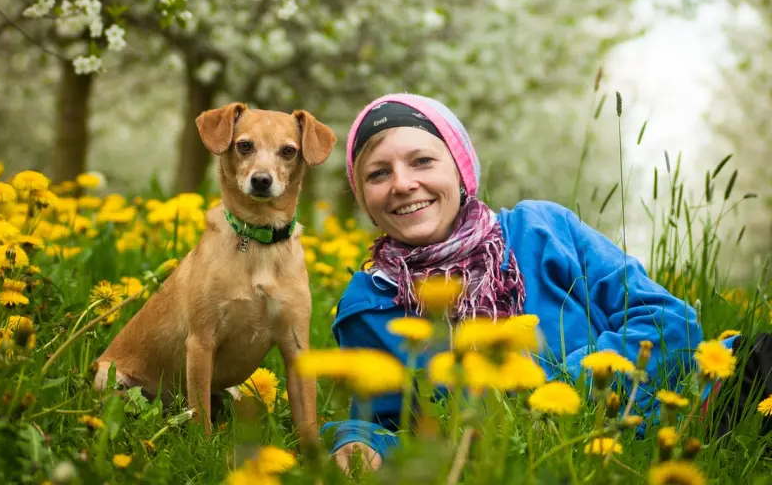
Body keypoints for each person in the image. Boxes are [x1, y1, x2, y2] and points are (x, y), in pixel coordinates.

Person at [321, 93, 752, 471]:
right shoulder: (368, 305)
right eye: (378, 173)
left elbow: (669, 322)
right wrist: (360, 443)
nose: (402, 183)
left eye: (422, 161)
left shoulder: (542, 229)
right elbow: (385, 423)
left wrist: (536, 395)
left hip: (703, 405)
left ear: (460, 169)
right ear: (363, 197)